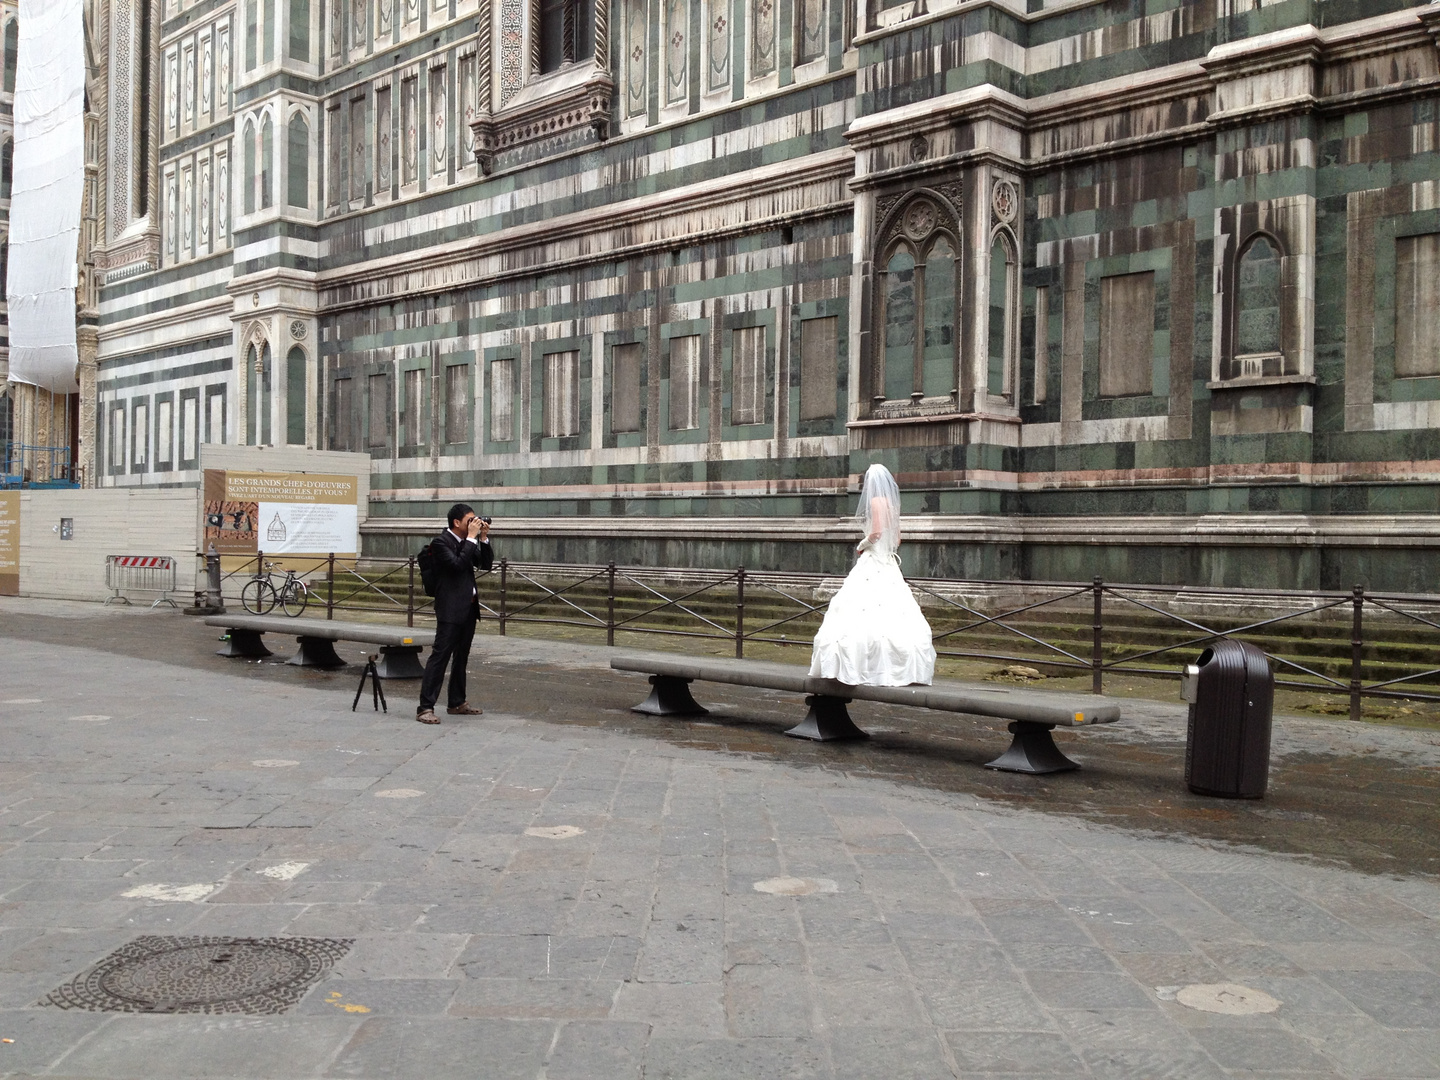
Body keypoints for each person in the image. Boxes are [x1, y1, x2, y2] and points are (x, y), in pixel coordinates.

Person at [809, 463, 936, 686]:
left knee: (858, 608)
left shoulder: (876, 501)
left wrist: (862, 544)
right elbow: (897, 539)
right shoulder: (893, 505)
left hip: (873, 557)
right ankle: (895, 667)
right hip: (887, 560)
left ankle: (861, 666)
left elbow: (876, 532)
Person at [416, 503, 493, 724]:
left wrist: (483, 538)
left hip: (469, 608)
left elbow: (485, 564)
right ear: (456, 523)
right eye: (470, 520)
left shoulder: (466, 541)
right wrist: (471, 538)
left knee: (462, 658)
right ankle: (425, 708)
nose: (474, 523)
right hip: (450, 609)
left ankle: (457, 702)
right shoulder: (441, 543)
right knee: (440, 657)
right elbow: (457, 565)